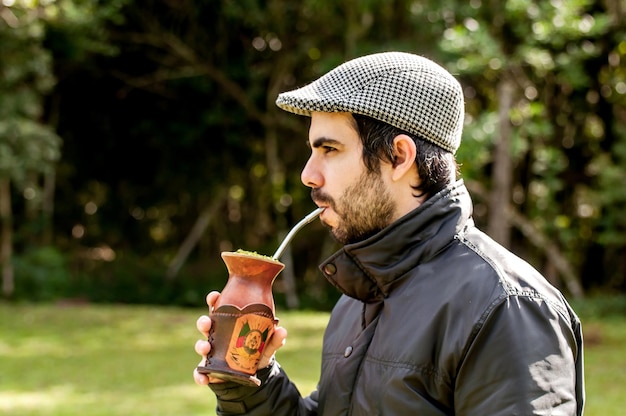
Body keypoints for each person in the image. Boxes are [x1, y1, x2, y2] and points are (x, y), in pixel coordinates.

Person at [193, 51, 585, 415]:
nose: (308, 174)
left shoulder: (506, 308)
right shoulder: (360, 296)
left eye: (329, 149)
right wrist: (254, 386)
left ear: (399, 157)